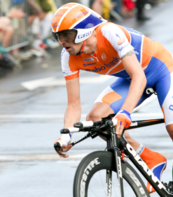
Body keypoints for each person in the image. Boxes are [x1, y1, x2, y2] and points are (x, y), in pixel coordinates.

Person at [52, 3, 172, 193]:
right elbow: (73, 105)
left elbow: (139, 76)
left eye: (66, 35)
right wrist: (66, 136)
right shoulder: (68, 57)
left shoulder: (109, 32)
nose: (61, 41)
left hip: (162, 70)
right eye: (57, 36)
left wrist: (125, 112)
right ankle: (150, 157)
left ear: (83, 31)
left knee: (171, 126)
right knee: (97, 119)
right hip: (131, 78)